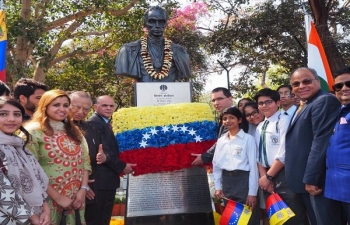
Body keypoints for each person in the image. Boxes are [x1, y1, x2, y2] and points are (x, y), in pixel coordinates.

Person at [285, 67, 343, 225]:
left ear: (318, 82)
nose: (301, 86)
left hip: (318, 181)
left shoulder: (324, 101)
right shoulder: (304, 104)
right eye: (296, 84)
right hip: (304, 180)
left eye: (307, 81)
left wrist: (311, 178)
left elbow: (321, 141)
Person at [23, 89, 91, 224]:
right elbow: (29, 171)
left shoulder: (74, 131)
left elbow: (85, 162)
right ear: (45, 106)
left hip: (75, 200)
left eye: (66, 105)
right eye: (56, 105)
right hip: (47, 201)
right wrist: (58, 198)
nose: (62, 109)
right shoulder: (33, 131)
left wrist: (83, 189)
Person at [254, 88, 306, 224]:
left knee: (291, 215)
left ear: (278, 103)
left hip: (284, 174)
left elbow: (284, 153)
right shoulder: (259, 126)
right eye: (260, 103)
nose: (264, 106)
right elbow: (258, 155)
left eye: (268, 102)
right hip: (266, 176)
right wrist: (264, 177)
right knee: (277, 217)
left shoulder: (284, 121)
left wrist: (269, 176)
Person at [0, 97, 50, 225]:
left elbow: (38, 179)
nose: (11, 119)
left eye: (17, 114)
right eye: (3, 114)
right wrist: (31, 216)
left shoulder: (19, 146)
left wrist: (45, 209)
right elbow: (3, 191)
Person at [88, 95, 135, 225]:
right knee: (99, 217)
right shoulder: (94, 123)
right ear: (95, 107)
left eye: (111, 105)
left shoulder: (104, 122)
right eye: (104, 105)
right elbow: (104, 151)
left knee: (104, 216)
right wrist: (121, 166)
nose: (108, 108)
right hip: (101, 181)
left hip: (107, 180)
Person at [115, 6, 191, 82]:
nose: (157, 25)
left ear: (166, 24)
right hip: (145, 92)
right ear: (145, 23)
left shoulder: (180, 52)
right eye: (152, 21)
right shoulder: (127, 51)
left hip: (170, 93)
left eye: (161, 22)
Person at [213, 107, 259, 225]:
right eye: (224, 118)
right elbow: (216, 165)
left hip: (243, 181)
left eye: (231, 118)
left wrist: (252, 193)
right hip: (227, 182)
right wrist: (218, 187)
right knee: (233, 219)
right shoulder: (221, 141)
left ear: (239, 120)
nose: (228, 121)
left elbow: (254, 167)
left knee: (248, 218)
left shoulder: (248, 139)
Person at [68, 91, 108, 225]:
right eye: (76, 107)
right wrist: (82, 186)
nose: (81, 111)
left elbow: (97, 152)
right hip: (71, 187)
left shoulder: (90, 127)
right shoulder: (61, 128)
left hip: (93, 186)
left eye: (86, 109)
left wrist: (103, 157)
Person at [325, 66, 350, 220]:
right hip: (336, 187)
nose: (344, 88)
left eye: (349, 84)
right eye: (339, 86)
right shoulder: (339, 111)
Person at [191, 87, 234, 165]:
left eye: (220, 99)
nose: (216, 103)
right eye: (214, 100)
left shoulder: (234, 116)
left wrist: (205, 156)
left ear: (230, 99)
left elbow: (224, 140)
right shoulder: (223, 116)